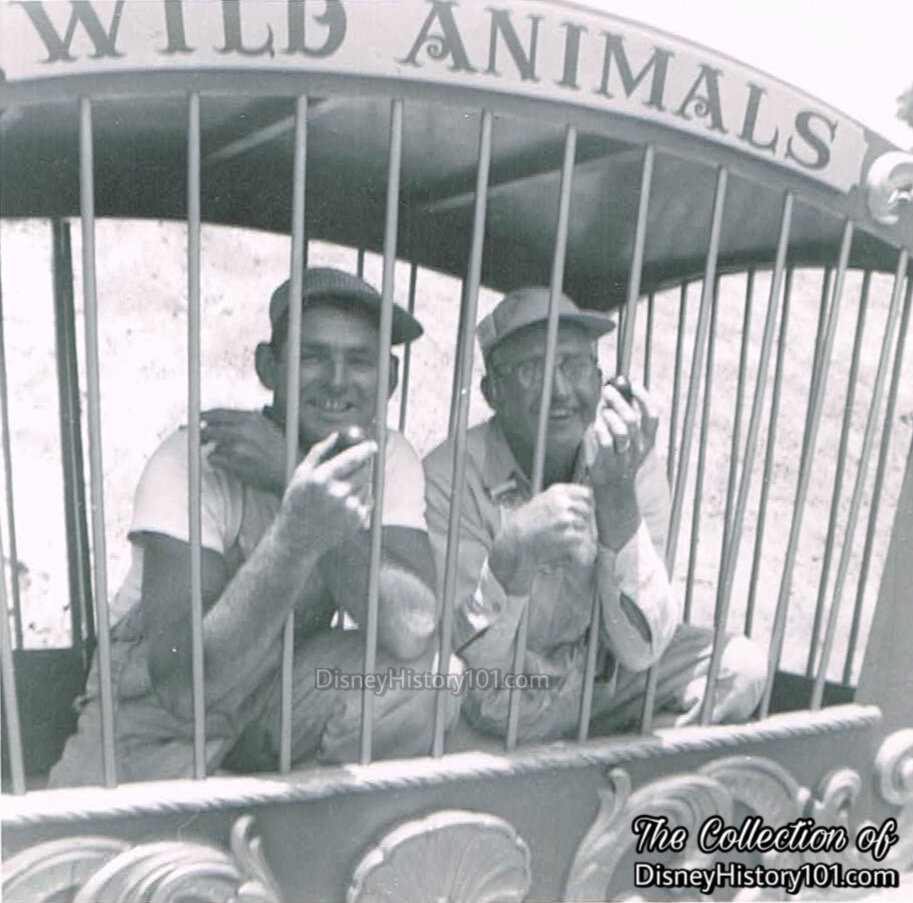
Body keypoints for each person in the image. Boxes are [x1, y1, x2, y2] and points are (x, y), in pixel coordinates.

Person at [50, 267, 459, 786]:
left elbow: (412, 628)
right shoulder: (195, 458)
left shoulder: (387, 455)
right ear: (269, 367)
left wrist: (293, 476)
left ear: (391, 379)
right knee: (120, 863)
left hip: (267, 699)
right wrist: (297, 532)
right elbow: (181, 687)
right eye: (312, 356)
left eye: (361, 360)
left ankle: (298, 821)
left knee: (432, 677)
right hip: (151, 725)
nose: (337, 380)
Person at [423, 286, 767, 743]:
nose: (560, 390)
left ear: (600, 377)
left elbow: (643, 648)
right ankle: (577, 762)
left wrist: (617, 493)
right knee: (450, 685)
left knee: (740, 668)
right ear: (492, 392)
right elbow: (473, 651)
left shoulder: (627, 458)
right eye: (531, 370)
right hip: (508, 694)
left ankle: (608, 775)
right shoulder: (449, 475)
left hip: (606, 679)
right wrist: (516, 551)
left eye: (574, 365)